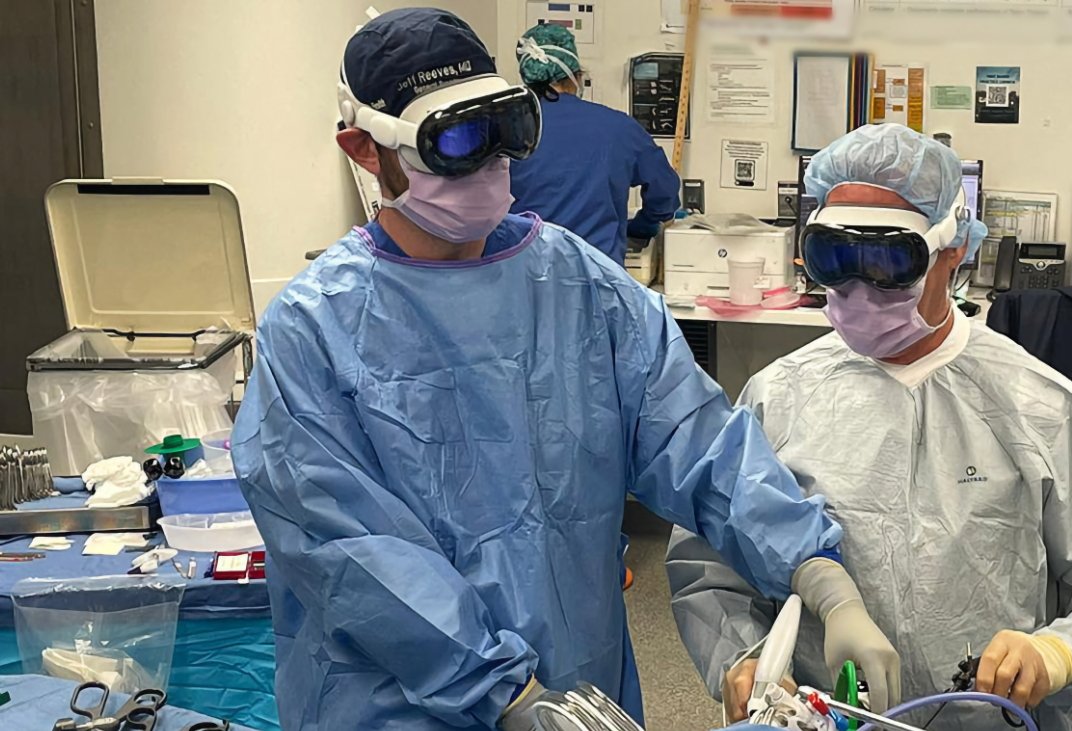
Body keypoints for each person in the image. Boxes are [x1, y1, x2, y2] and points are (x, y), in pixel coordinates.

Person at [232, 9, 890, 731]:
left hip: (580, 687)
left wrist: (815, 569)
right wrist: (505, 695)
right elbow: (351, 552)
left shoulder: (582, 287)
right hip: (398, 702)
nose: (489, 163)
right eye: (454, 140)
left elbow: (698, 439)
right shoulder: (315, 328)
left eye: (505, 128)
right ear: (365, 148)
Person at [666, 124, 1072, 730]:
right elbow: (710, 563)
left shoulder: (1038, 407)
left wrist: (1058, 652)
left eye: (889, 260)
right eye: (836, 257)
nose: (859, 288)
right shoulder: (779, 398)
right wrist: (746, 659)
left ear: (954, 249)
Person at [508, 23, 680, 265]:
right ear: (576, 76)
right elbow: (664, 190)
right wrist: (644, 224)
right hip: (597, 279)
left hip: (523, 274)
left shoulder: (505, 130)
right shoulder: (619, 128)